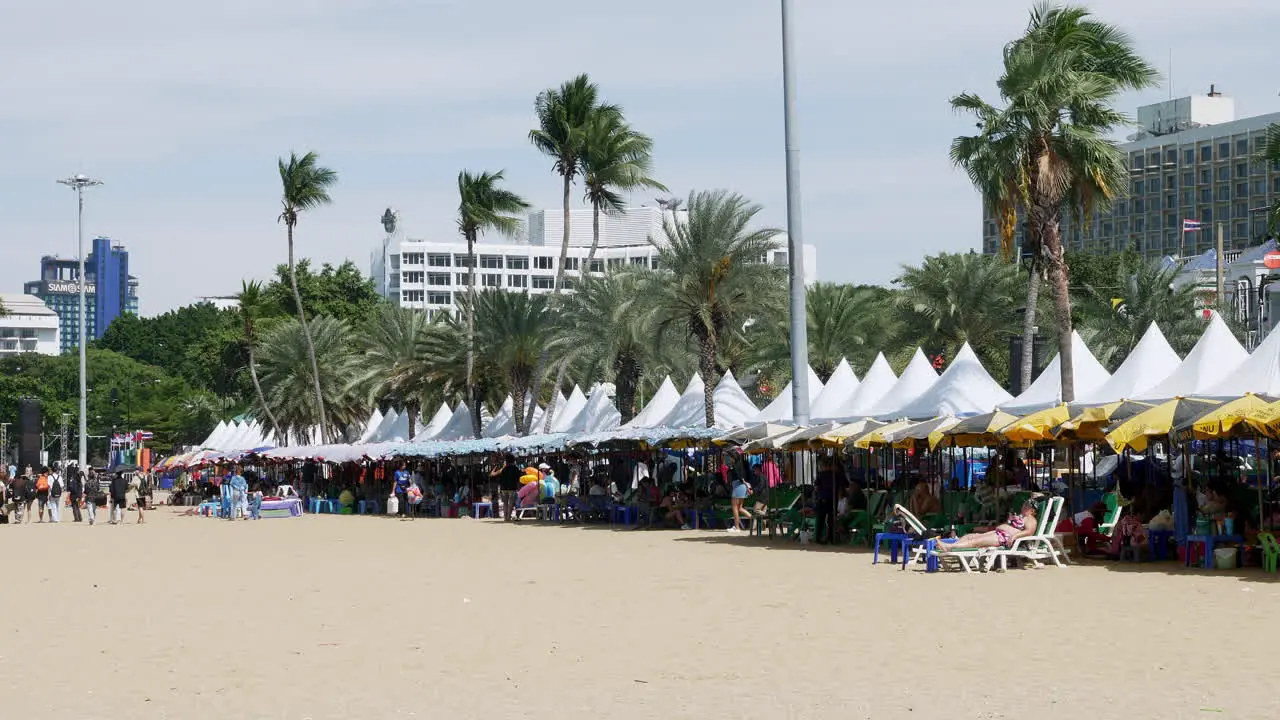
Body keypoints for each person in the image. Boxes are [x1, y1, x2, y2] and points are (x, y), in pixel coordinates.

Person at [935, 498, 1040, 552]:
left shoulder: (1031, 519)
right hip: (998, 533)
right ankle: (952, 548)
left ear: (1033, 511)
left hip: (1003, 538)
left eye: (1027, 505)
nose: (1024, 506)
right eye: (1024, 503)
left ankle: (950, 547)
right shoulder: (1022, 516)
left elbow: (1029, 532)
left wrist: (1014, 536)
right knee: (970, 536)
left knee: (975, 542)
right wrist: (1010, 521)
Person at [727, 448, 753, 533]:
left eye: (730, 457)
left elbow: (740, 477)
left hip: (738, 486)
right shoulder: (741, 464)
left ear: (733, 457)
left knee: (734, 507)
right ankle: (753, 518)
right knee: (740, 508)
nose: (729, 458)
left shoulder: (736, 465)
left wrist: (746, 484)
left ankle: (737, 527)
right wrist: (747, 486)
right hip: (742, 487)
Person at [491, 454, 522, 521]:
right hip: (512, 488)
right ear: (513, 460)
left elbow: (499, 478)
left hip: (503, 488)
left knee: (505, 503)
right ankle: (508, 517)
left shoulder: (503, 469)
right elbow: (518, 479)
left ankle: (505, 517)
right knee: (511, 503)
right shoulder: (515, 468)